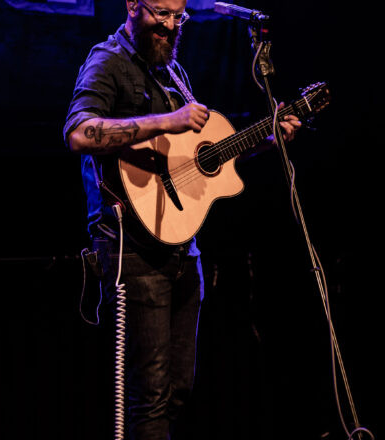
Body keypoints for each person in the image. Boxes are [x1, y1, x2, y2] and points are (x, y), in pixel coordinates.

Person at [63, 1, 301, 439]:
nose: (172, 27)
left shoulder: (172, 71)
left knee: (178, 390)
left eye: (179, 17)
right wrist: (166, 121)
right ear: (133, 5)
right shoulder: (108, 61)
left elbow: (197, 158)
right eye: (162, 14)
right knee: (149, 396)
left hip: (180, 245)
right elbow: (79, 132)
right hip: (132, 248)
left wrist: (267, 139)